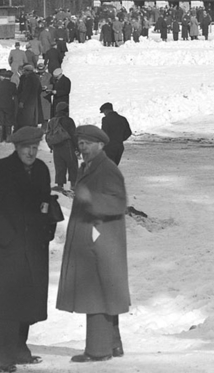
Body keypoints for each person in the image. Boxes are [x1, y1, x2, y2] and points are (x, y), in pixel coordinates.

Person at [0, 126, 60, 373]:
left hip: (34, 248)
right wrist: (7, 236)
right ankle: (1, 355)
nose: (31, 153)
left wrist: (46, 230)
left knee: (29, 300)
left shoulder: (41, 170)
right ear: (16, 147)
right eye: (26, 148)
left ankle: (20, 349)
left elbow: (44, 203)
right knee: (7, 303)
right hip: (7, 250)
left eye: (35, 147)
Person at [57, 124, 130, 363]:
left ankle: (98, 350)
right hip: (95, 237)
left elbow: (118, 203)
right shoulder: (89, 167)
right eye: (80, 144)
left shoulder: (107, 169)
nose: (83, 148)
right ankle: (113, 344)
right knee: (104, 290)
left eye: (87, 143)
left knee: (96, 292)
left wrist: (91, 199)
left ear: (100, 145)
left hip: (101, 239)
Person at [46, 100, 78, 192]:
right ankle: (73, 185)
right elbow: (73, 134)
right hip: (67, 145)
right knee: (72, 164)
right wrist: (77, 147)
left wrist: (51, 146)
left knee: (59, 166)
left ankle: (60, 185)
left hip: (56, 147)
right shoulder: (68, 120)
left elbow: (48, 135)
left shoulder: (52, 121)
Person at [0, 68, 18, 142]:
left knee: (0, 121)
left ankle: (0, 137)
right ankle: (8, 137)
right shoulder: (13, 85)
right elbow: (15, 94)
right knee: (8, 121)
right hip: (9, 105)